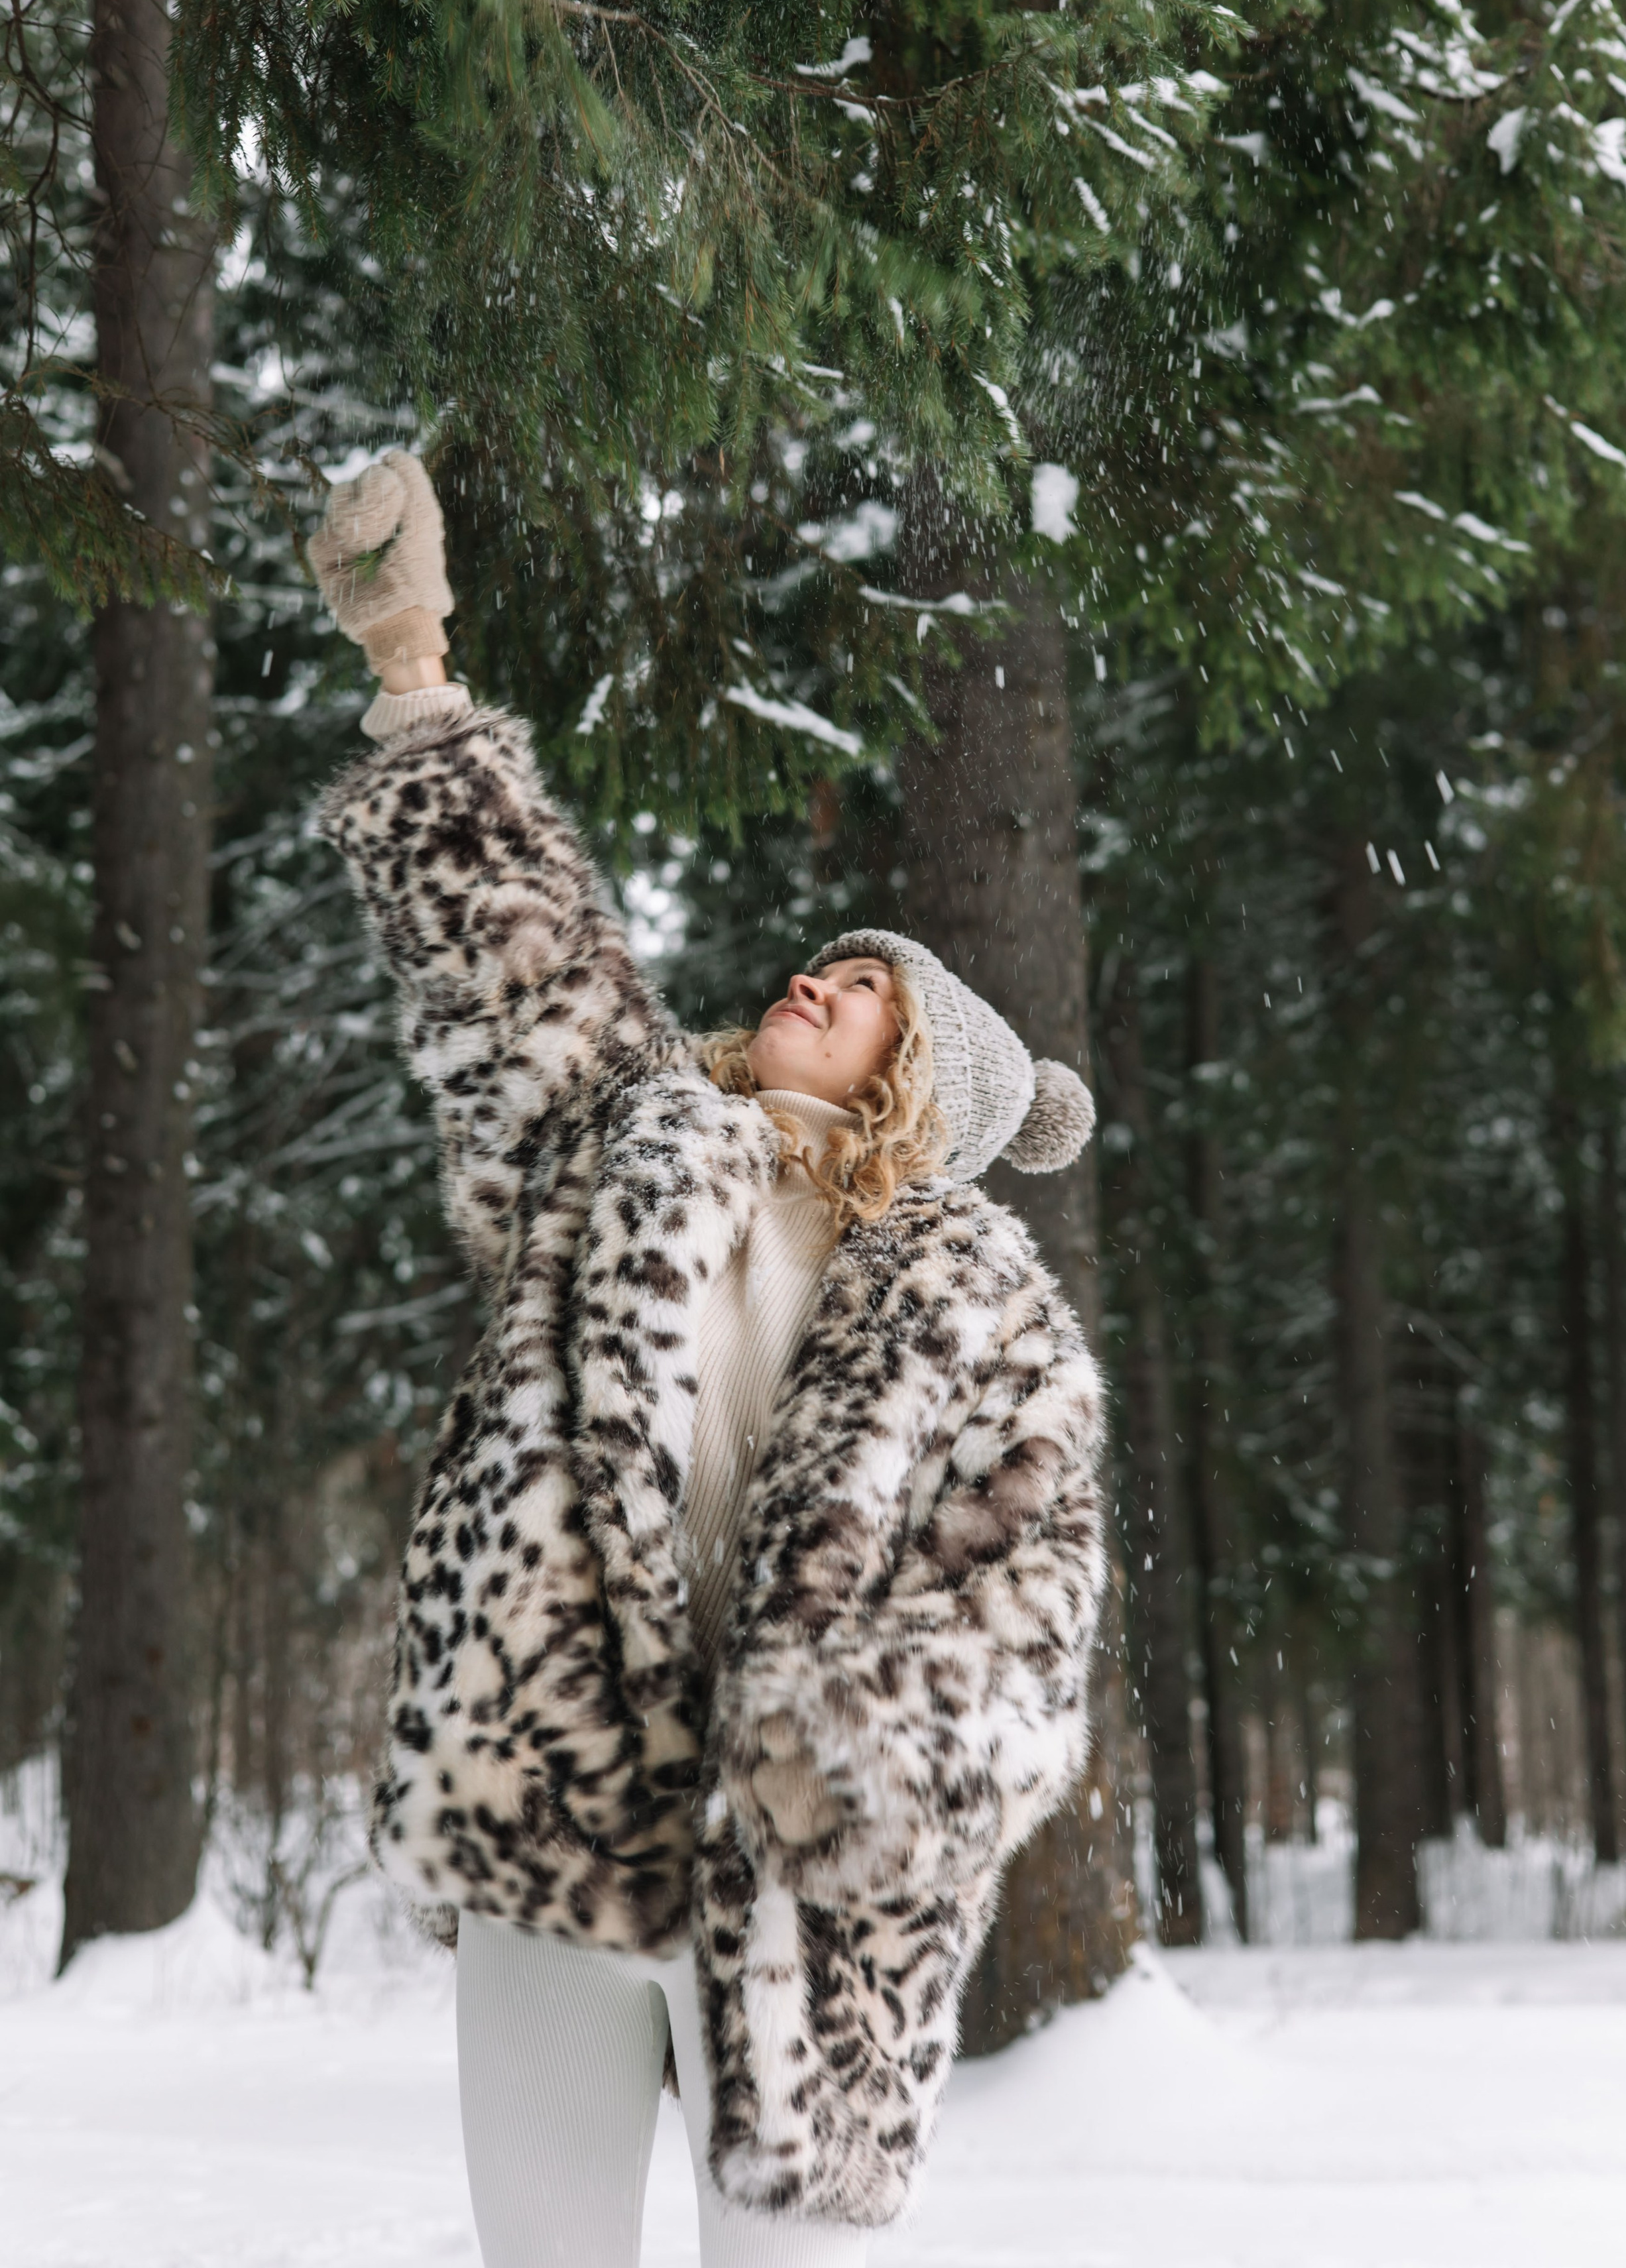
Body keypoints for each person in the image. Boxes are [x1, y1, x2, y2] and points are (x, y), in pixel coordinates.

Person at [310, 453, 1106, 2267]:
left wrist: (855, 1769)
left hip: (806, 1880)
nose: (820, 981)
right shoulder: (624, 1137)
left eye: (871, 985)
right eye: (824, 963)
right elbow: (510, 960)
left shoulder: (982, 1309)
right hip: (564, 1796)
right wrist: (414, 658)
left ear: (929, 1080)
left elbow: (1028, 1616)